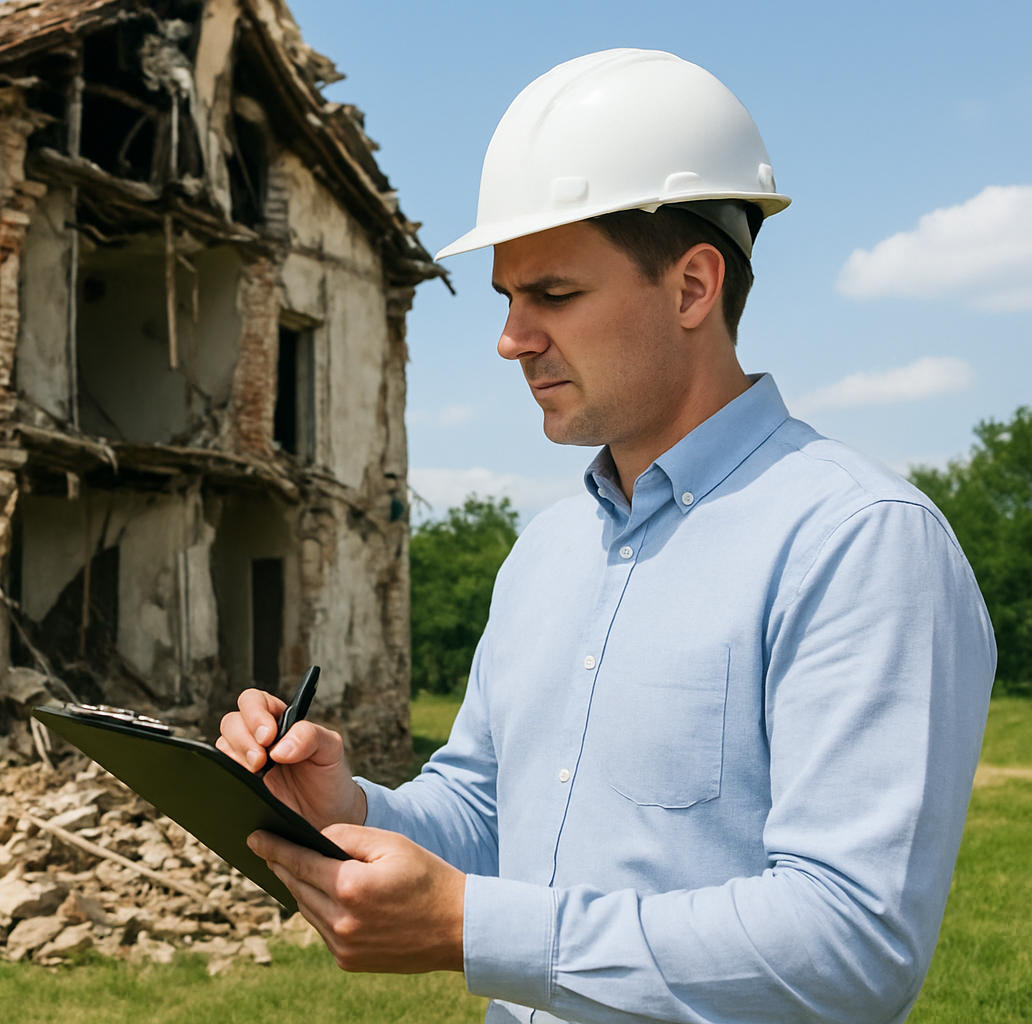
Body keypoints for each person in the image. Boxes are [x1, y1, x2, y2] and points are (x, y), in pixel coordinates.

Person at [216, 49, 995, 1024]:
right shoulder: (545, 554)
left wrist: (470, 927)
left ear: (692, 286)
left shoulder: (859, 544)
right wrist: (353, 808)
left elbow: (851, 940)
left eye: (553, 294)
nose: (511, 338)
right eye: (507, 297)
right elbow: (492, 815)